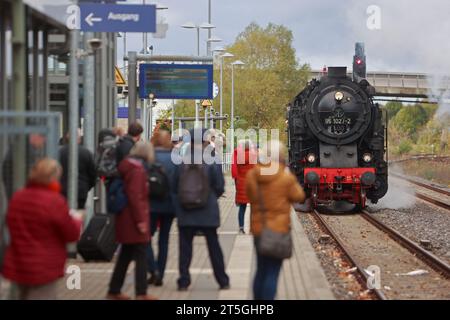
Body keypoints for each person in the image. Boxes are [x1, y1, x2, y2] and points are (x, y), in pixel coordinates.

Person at [1, 158, 83, 300]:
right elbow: (71, 234)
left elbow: (10, 224)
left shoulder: (18, 197)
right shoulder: (55, 201)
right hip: (44, 266)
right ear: (54, 177)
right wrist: (76, 220)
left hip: (19, 262)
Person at [245, 140, 305, 300]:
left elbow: (250, 196)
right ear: (280, 156)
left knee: (260, 269)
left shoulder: (253, 174)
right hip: (278, 230)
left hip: (258, 228)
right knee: (272, 272)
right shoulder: (285, 177)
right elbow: (299, 196)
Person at [172, 128, 230, 291]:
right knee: (214, 247)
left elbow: (174, 186)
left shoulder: (180, 159)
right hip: (208, 210)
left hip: (186, 211)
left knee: (185, 248)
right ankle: (222, 280)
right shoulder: (213, 159)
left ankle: (183, 281)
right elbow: (219, 186)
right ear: (205, 140)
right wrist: (209, 197)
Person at [107, 142, 156, 300]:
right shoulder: (137, 170)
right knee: (140, 255)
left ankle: (114, 290)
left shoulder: (127, 165)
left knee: (125, 255)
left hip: (125, 218)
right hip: (133, 219)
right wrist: (141, 221)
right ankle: (141, 292)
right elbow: (136, 196)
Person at [146, 130, 176, 286]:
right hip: (170, 205)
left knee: (146, 238)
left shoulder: (149, 158)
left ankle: (153, 270)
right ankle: (161, 273)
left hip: (150, 204)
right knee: (164, 240)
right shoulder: (175, 159)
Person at [59, 131, 97, 210]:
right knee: (78, 215)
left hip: (62, 190)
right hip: (81, 191)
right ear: (79, 140)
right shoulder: (86, 153)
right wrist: (87, 186)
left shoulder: (59, 153)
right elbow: (93, 173)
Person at [231, 140, 256, 234]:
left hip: (241, 184)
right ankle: (252, 229)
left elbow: (234, 169)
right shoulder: (253, 155)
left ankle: (241, 228)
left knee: (242, 207)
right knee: (254, 208)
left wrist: (236, 179)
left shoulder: (238, 155)